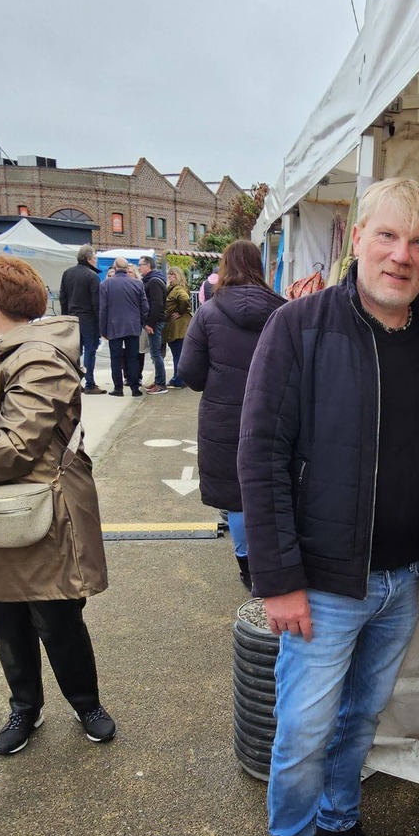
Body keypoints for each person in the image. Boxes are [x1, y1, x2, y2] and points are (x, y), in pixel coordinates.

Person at [229, 178, 419, 836]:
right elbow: (259, 456)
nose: (402, 255)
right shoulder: (299, 327)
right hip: (322, 583)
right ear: (357, 238)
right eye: (388, 236)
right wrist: (279, 579)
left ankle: (336, 822)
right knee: (303, 731)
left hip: (400, 580)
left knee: (363, 714)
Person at [0, 256, 118, 754]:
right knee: (5, 619)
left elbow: (18, 445)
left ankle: (86, 704)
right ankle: (24, 707)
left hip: (42, 514)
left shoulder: (38, 359)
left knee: (57, 620)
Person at [177, 240, 281, 592]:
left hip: (223, 419)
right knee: (273, 490)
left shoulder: (208, 313)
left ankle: (248, 569)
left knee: (236, 496)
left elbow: (189, 373)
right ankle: (275, 564)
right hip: (274, 415)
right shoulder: (284, 311)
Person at [98, 258, 148, 398]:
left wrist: (103, 329)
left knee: (115, 358)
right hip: (133, 325)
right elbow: (145, 306)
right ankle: (135, 388)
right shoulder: (137, 284)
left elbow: (103, 309)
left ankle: (118, 388)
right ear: (127, 268)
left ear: (115, 267)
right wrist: (140, 322)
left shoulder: (106, 284)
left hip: (114, 326)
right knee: (133, 357)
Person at [59, 244, 105, 394]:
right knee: (90, 350)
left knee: (74, 352)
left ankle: (74, 382)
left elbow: (63, 298)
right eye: (95, 258)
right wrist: (100, 323)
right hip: (88, 318)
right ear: (88, 259)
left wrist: (66, 317)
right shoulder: (92, 276)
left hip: (72, 317)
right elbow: (96, 303)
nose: (96, 261)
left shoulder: (67, 273)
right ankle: (90, 383)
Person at [140, 254, 169, 393]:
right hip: (156, 321)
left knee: (156, 353)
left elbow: (157, 304)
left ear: (148, 266)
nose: (139, 268)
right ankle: (158, 380)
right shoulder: (154, 280)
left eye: (141, 265)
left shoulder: (153, 281)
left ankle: (161, 384)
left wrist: (150, 323)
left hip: (155, 322)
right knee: (155, 353)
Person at [163, 270, 192, 390]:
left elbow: (184, 298)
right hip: (179, 326)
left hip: (178, 327)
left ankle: (178, 379)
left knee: (177, 354)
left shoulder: (177, 289)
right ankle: (180, 378)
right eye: (169, 274)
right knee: (179, 354)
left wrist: (180, 311)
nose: (170, 276)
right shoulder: (174, 288)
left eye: (173, 274)